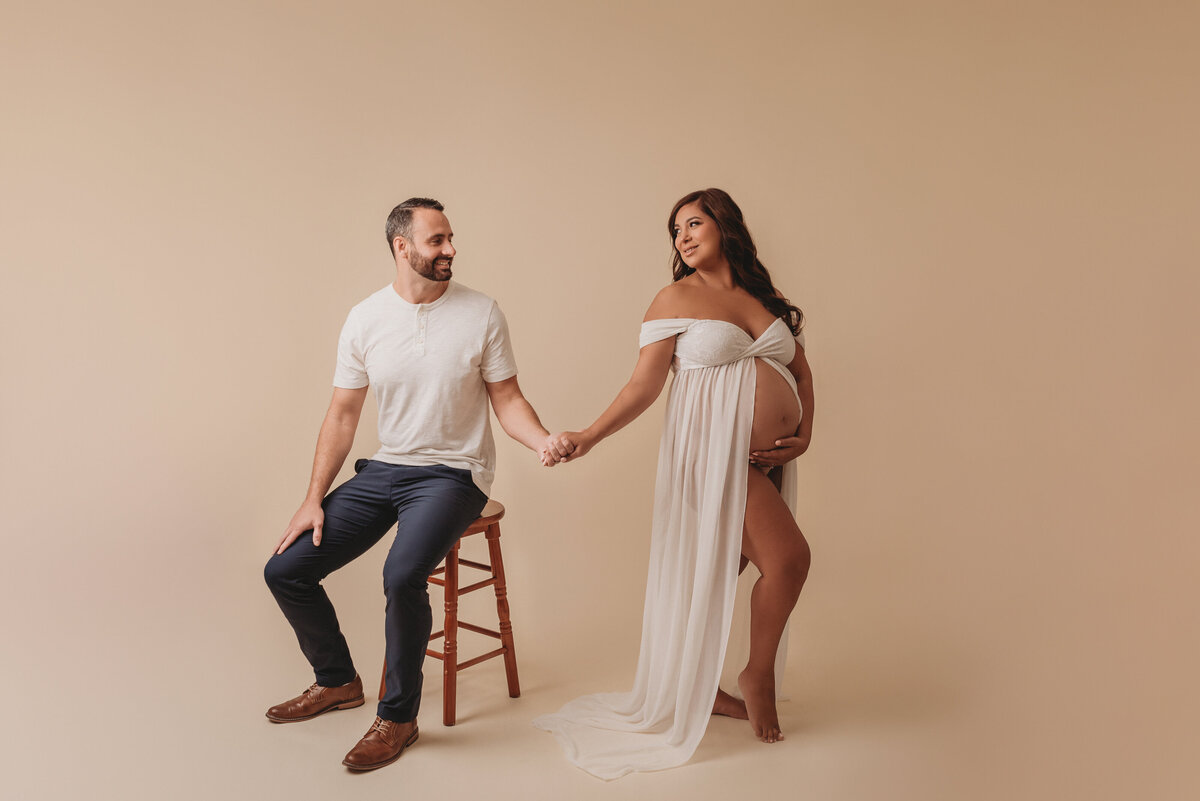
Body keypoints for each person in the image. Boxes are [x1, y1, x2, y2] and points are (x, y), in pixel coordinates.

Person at [264, 197, 561, 772]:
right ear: (403, 248)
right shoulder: (365, 317)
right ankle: (338, 681)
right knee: (285, 569)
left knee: (401, 576)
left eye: (451, 238)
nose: (450, 250)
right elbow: (343, 415)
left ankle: (398, 717)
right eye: (437, 241)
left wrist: (542, 439)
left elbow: (507, 398)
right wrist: (311, 500)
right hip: (387, 469)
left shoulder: (482, 313)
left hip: (454, 474)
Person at [534, 188, 814, 779]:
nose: (683, 238)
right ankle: (754, 676)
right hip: (711, 458)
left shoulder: (765, 299)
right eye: (676, 231)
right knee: (788, 560)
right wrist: (588, 435)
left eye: (694, 224)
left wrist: (804, 432)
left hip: (764, 461)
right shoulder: (674, 297)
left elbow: (800, 369)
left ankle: (696, 686)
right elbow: (643, 387)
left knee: (714, 577)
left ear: (725, 227)